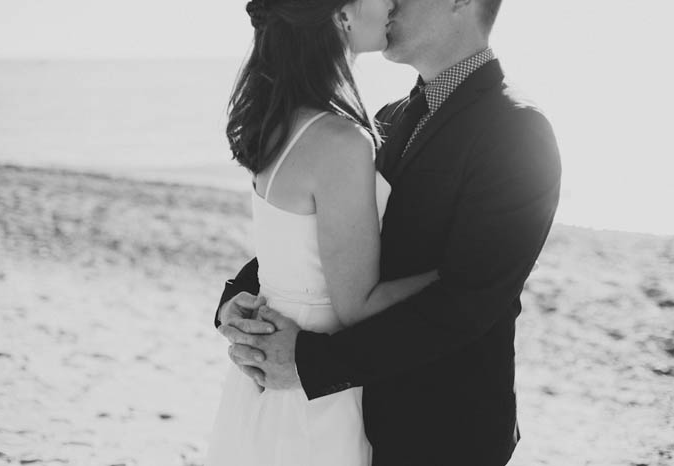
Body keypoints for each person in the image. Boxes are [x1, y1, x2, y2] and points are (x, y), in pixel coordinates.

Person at [217, 0, 562, 464]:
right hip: (361, 417)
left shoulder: (517, 128)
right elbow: (327, 243)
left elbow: (470, 301)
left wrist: (307, 364)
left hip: (443, 428)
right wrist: (236, 302)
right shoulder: (388, 117)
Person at [204, 0, 445, 464]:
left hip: (270, 369)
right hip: (313, 382)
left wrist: (232, 303)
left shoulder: (279, 122)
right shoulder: (339, 141)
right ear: (342, 14)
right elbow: (358, 305)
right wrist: (457, 273)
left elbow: (290, 252)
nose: (392, 2)